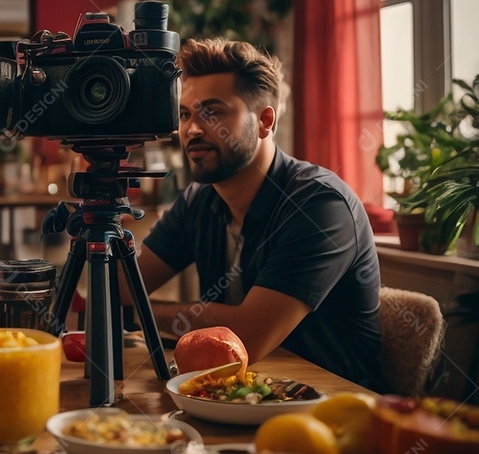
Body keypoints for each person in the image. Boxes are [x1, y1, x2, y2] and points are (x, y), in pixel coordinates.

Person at [138, 37, 382, 389]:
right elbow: (124, 286)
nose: (192, 129)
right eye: (185, 114)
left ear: (265, 121)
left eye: (213, 112)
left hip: (329, 402)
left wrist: (144, 313)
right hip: (232, 394)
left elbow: (245, 339)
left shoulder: (320, 205)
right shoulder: (198, 200)